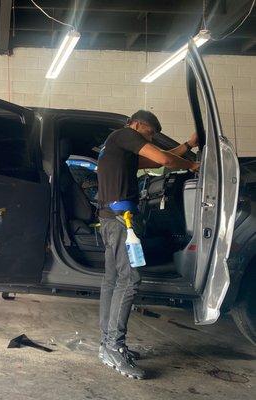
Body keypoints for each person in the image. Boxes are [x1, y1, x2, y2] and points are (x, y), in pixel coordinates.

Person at [97, 110, 199, 379]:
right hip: (122, 222)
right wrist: (193, 166)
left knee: (112, 280)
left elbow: (156, 164)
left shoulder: (116, 146)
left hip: (111, 220)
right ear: (138, 124)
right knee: (129, 282)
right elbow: (165, 158)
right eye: (150, 133)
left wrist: (188, 145)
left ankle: (106, 344)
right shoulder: (125, 135)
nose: (150, 138)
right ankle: (114, 347)